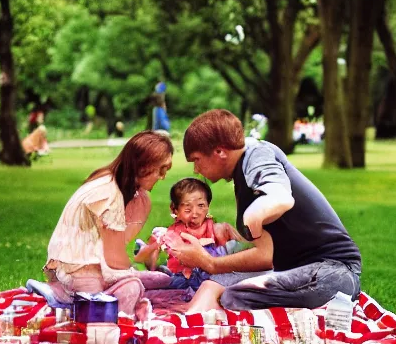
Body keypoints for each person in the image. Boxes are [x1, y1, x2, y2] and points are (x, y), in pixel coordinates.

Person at [168, 109, 362, 312]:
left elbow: (278, 195)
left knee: (234, 296)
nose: (196, 171)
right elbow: (267, 252)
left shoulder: (256, 155)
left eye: (197, 160)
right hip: (296, 271)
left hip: (333, 273)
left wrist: (209, 261)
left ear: (220, 151)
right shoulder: (242, 173)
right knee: (216, 285)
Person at [43, 130, 174, 320]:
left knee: (154, 280)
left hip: (77, 267)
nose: (162, 177)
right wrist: (135, 272)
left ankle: (68, 294)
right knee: (134, 286)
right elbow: (115, 260)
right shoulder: (109, 193)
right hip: (79, 271)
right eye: (162, 169)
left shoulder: (111, 182)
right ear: (144, 166)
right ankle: (65, 297)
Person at [134, 177, 243, 291]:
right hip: (183, 280)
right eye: (187, 209)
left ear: (208, 206)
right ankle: (155, 265)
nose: (195, 214)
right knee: (162, 282)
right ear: (174, 210)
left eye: (201, 206)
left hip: (211, 279)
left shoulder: (215, 229)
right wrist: (155, 246)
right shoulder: (173, 234)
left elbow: (238, 252)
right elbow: (139, 258)